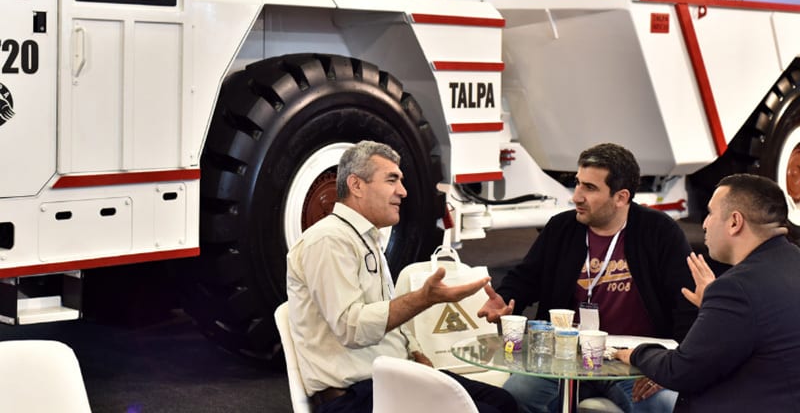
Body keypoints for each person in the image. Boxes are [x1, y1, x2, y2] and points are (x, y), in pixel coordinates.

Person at [286, 140, 518, 413]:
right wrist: (423, 299)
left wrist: (414, 350)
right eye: (392, 180)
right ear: (356, 185)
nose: (403, 191)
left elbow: (386, 316)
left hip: (388, 380)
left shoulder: (365, 238)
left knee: (503, 402)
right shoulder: (328, 241)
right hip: (355, 397)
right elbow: (352, 328)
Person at [477, 143, 697, 413]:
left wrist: (669, 367)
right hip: (565, 357)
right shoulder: (562, 228)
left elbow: (687, 303)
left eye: (590, 188)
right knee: (517, 395)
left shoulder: (659, 232)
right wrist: (506, 298)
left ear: (621, 197)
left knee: (663, 405)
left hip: (634, 362)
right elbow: (526, 278)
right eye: (577, 184)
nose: (576, 197)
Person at [615, 173, 800, 411]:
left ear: (735, 222)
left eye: (711, 213)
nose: (704, 223)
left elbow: (680, 372)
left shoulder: (736, 288)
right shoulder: (792, 263)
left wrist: (633, 353)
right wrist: (712, 310)